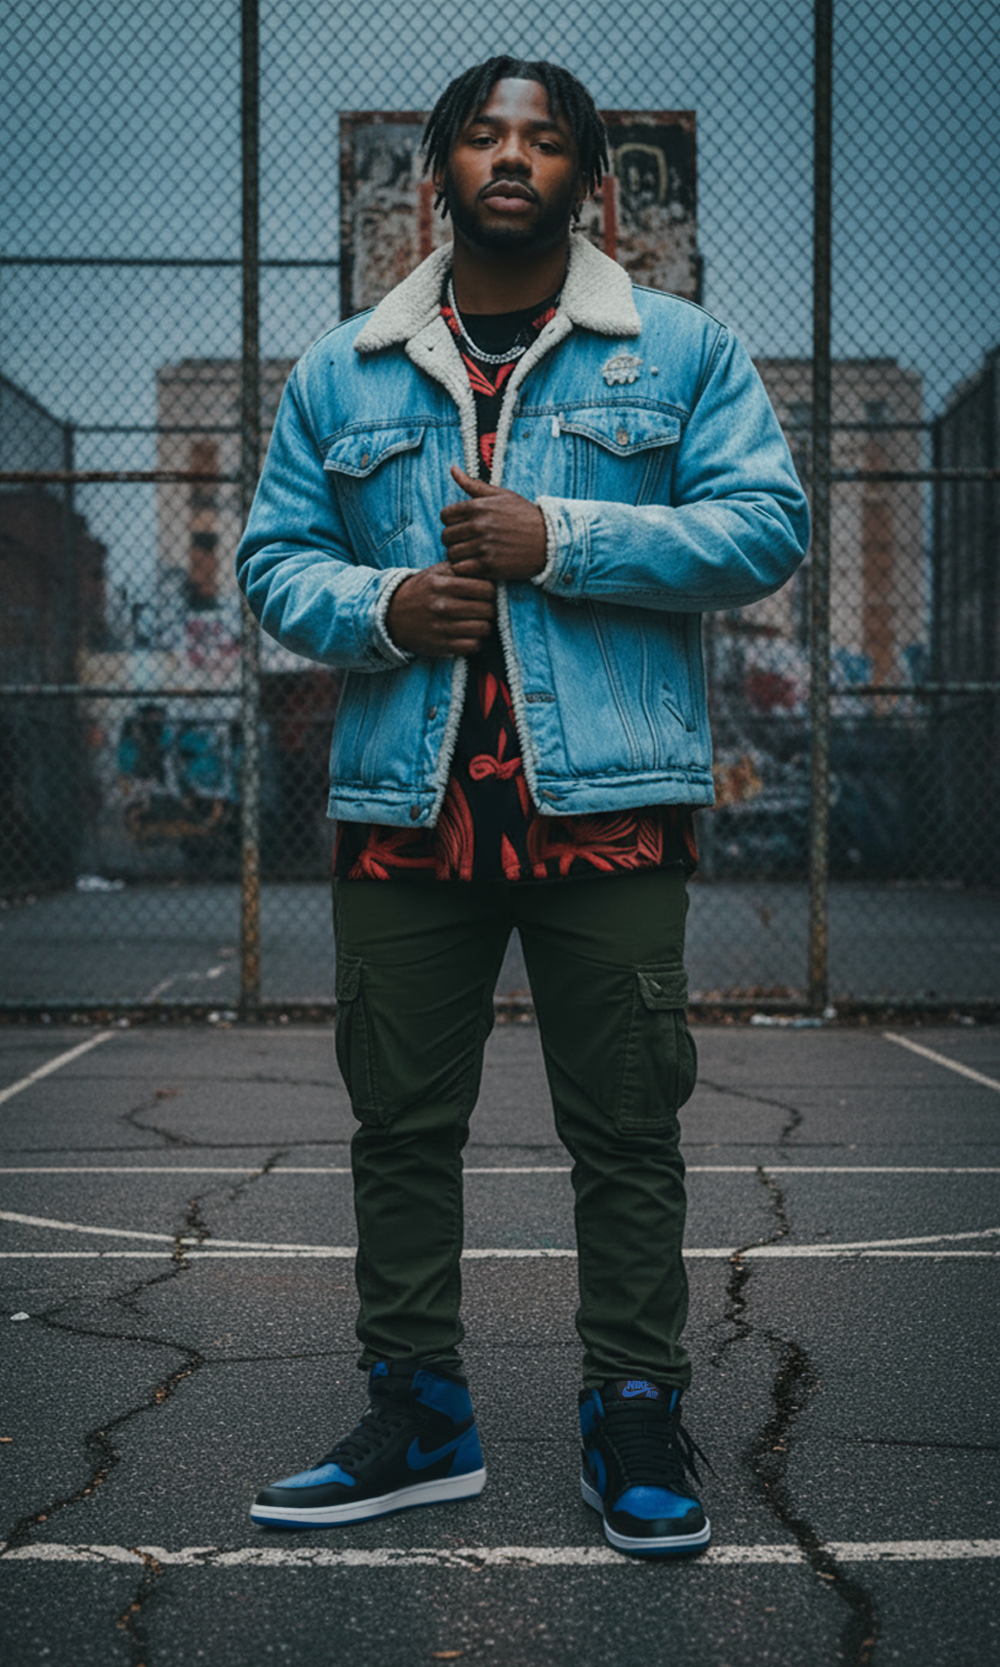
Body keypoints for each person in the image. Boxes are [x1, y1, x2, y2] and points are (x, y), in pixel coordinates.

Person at [237, 56, 809, 1557]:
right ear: (439, 170)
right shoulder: (343, 369)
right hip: (403, 800)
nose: (511, 156)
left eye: (543, 139)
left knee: (625, 1123)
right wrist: (384, 607)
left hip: (606, 799)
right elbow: (274, 560)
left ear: (589, 182)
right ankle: (419, 1414)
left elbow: (766, 525)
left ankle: (635, 1413)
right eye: (484, 135)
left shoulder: (679, 350)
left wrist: (562, 534)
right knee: (398, 1122)